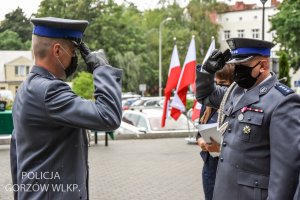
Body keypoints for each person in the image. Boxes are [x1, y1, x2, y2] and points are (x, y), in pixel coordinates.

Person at [10, 17, 123, 200]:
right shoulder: (50, 90)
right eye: (72, 51)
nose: (74, 58)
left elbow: (17, 154)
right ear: (57, 51)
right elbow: (109, 116)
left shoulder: (26, 89)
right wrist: (102, 70)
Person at [196, 37, 300, 200]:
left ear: (263, 65)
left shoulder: (282, 101)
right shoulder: (234, 92)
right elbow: (205, 96)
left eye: (242, 67)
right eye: (235, 66)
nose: (237, 72)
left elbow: (285, 172)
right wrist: (207, 72)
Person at [196, 64, 234, 200]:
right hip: (210, 166)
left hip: (230, 166)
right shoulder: (207, 104)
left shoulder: (236, 104)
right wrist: (201, 142)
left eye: (223, 83)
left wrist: (222, 146)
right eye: (215, 83)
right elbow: (199, 132)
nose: (218, 87)